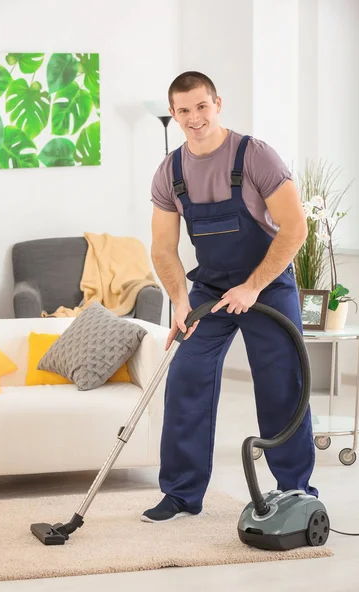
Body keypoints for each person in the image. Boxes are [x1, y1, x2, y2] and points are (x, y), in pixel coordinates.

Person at [141, 71, 318, 523]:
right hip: (211, 289)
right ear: (175, 114)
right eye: (183, 111)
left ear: (217, 103)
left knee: (283, 388)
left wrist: (254, 285)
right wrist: (180, 302)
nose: (194, 118)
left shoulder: (254, 156)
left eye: (201, 106)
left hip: (268, 286)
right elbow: (163, 248)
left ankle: (295, 490)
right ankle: (181, 494)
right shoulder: (170, 171)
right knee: (186, 377)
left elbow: (295, 229)